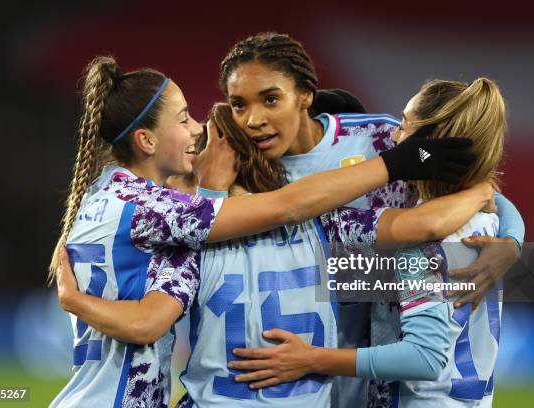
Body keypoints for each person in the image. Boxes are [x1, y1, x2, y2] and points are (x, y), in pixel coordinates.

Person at [48, 56, 473, 408]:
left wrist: (74, 301)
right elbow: (409, 230)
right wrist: (486, 197)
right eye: (185, 119)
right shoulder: (324, 227)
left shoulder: (177, 243)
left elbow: (149, 321)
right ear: (146, 140)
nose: (196, 129)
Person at [213, 32, 524, 407]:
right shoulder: (232, 166)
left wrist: (511, 241)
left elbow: (462, 185)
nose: (253, 120)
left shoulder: (380, 140)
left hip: (364, 371)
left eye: (271, 98)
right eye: (238, 105)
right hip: (276, 373)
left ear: (305, 95)